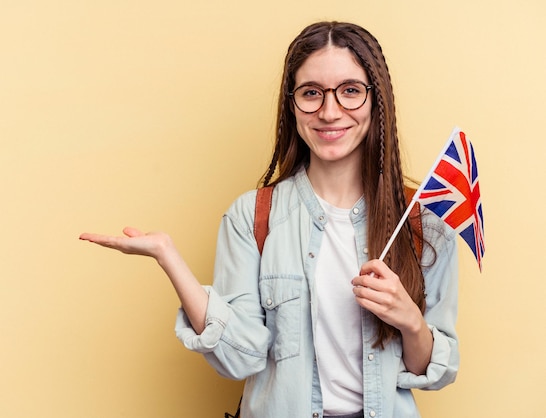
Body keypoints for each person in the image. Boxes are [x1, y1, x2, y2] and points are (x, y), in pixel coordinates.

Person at [80, 21, 459, 418]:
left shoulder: (423, 225)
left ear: (376, 99)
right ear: (291, 103)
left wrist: (411, 322)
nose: (330, 112)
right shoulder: (253, 216)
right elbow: (239, 358)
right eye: (311, 93)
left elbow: (432, 372)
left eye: (350, 91)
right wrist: (167, 256)